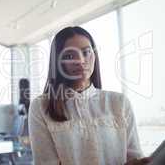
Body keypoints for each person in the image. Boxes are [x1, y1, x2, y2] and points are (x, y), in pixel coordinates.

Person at [28, 26, 152, 165]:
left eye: (86, 52)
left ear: (94, 54)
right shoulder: (41, 107)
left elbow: (134, 157)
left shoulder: (119, 102)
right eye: (69, 56)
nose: (80, 61)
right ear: (57, 61)